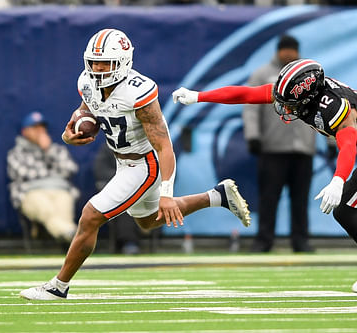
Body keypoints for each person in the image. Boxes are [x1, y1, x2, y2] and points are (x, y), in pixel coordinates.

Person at [19, 29, 251, 301]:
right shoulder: (87, 82)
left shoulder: (138, 92)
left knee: (90, 216)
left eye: (105, 62)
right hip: (122, 161)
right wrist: (69, 132)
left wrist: (166, 194)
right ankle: (216, 196)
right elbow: (86, 108)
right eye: (94, 62)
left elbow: (165, 146)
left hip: (145, 164)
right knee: (148, 222)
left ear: (123, 61)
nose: (98, 68)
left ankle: (58, 286)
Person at [172, 58, 357, 293]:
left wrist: (339, 179)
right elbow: (247, 94)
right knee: (345, 208)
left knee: (345, 207)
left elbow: (348, 143)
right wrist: (199, 96)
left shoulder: (333, 107)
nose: (285, 107)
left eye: (289, 103)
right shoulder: (303, 92)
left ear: (308, 96)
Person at [242, 35, 315, 253]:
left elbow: (324, 107)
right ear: (278, 51)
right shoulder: (263, 74)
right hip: (272, 148)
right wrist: (253, 136)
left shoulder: (309, 76)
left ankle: (300, 240)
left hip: (303, 148)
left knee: (300, 200)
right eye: (286, 50)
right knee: (269, 198)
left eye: (293, 50)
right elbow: (250, 106)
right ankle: (264, 240)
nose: (289, 54)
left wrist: (330, 141)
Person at [7, 111, 79, 243]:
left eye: (42, 127)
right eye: (35, 128)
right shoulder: (16, 153)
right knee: (45, 206)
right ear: (25, 132)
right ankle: (73, 235)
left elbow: (70, 169)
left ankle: (67, 234)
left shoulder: (56, 150)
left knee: (64, 202)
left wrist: (48, 151)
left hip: (60, 190)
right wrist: (53, 175)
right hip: (31, 193)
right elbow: (25, 175)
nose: (40, 131)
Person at [93, 143, 142, 255]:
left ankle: (135, 237)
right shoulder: (108, 148)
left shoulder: (143, 146)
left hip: (142, 189)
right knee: (123, 202)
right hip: (118, 189)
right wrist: (124, 179)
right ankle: (129, 242)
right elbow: (100, 170)